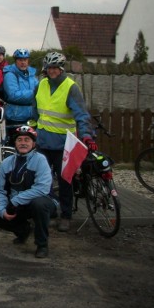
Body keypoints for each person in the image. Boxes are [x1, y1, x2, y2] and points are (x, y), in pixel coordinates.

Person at [32, 52, 96, 233]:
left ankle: (66, 215)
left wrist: (86, 135)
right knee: (42, 180)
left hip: (62, 144)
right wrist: (33, 128)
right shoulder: (41, 85)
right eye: (49, 68)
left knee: (65, 180)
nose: (52, 71)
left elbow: (82, 115)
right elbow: (34, 109)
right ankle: (49, 211)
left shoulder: (70, 87)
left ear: (61, 69)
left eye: (55, 68)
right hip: (43, 142)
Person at [0, 125, 56, 259]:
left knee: (39, 204)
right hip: (16, 206)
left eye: (27, 140)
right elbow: (0, 191)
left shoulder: (40, 160)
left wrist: (15, 201)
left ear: (33, 143)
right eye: (19, 140)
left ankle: (42, 244)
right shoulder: (6, 163)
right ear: (15, 143)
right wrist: (2, 210)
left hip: (42, 201)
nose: (23, 143)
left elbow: (43, 188)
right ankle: (23, 231)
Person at [2, 48, 39, 144]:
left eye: (25, 60)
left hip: (31, 116)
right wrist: (34, 93)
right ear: (15, 61)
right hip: (16, 116)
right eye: (20, 60)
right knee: (15, 145)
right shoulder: (10, 75)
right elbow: (13, 95)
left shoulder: (31, 74)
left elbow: (40, 90)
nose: (23, 62)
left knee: (31, 144)